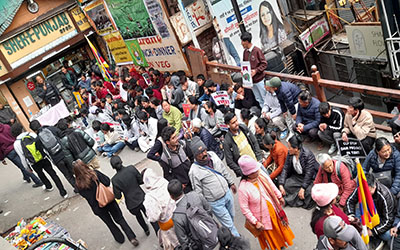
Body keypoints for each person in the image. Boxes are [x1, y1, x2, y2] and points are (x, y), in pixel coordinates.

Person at [72, 160, 139, 246]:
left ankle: (120, 238)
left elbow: (84, 195)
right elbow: (107, 181)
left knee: (109, 223)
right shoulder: (95, 174)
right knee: (120, 219)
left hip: (97, 208)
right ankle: (131, 237)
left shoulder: (78, 184)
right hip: (108, 201)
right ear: (85, 166)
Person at [237, 155, 294, 250]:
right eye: (255, 171)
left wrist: (279, 196)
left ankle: (282, 245)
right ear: (249, 174)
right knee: (272, 237)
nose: (258, 171)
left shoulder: (260, 175)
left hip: (273, 211)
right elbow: (245, 209)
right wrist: (255, 222)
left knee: (279, 232)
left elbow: (271, 185)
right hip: (262, 219)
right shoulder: (243, 189)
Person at [189, 137, 239, 236]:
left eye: (204, 150)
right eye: (200, 153)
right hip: (216, 203)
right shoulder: (194, 171)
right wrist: (206, 209)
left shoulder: (213, 155)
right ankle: (238, 242)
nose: (204, 154)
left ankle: (228, 237)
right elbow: (198, 193)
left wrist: (231, 182)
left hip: (227, 193)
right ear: (195, 155)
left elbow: (223, 170)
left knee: (231, 217)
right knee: (229, 225)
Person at [110, 156, 159, 236]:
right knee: (150, 215)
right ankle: (158, 233)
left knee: (138, 216)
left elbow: (118, 196)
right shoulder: (131, 168)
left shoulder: (115, 180)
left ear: (113, 167)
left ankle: (146, 230)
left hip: (131, 204)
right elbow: (141, 181)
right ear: (121, 161)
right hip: (141, 197)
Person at [346, 174, 395, 245]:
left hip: (379, 218)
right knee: (355, 223)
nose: (365, 194)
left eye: (368, 191)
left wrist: (372, 232)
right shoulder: (361, 189)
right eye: (364, 192)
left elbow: (388, 220)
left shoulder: (385, 195)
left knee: (387, 235)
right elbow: (350, 201)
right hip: (366, 212)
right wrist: (351, 215)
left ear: (374, 186)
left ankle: (373, 236)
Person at [23, 121, 68, 197]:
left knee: (41, 174)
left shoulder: (18, 143)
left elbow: (24, 155)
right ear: (40, 124)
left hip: (34, 162)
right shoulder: (33, 135)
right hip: (44, 159)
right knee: (53, 175)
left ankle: (49, 186)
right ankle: (63, 192)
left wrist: (27, 166)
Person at [168, 179, 214, 250]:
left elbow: (183, 240)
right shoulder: (195, 194)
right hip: (212, 232)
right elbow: (209, 210)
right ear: (183, 187)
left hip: (199, 244)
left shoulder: (177, 217)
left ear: (171, 196)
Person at [30, 120, 76, 190]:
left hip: (56, 159)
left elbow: (42, 152)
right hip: (66, 153)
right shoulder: (51, 128)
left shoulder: (37, 140)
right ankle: (85, 184)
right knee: (75, 170)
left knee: (67, 175)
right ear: (40, 124)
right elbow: (61, 135)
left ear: (34, 130)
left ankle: (77, 188)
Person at [142, 168, 180, 250]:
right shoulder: (164, 182)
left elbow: (153, 217)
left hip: (168, 226)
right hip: (179, 215)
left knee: (176, 244)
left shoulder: (150, 197)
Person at [278, 134, 318, 209]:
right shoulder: (290, 154)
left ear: (296, 148)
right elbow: (286, 168)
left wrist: (303, 188)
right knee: (286, 185)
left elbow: (309, 174)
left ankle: (287, 200)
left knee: (308, 193)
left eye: (289, 147)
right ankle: (297, 199)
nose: (288, 149)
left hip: (310, 179)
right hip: (298, 177)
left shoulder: (308, 155)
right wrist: (281, 183)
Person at [223, 112, 263, 177]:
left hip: (257, 163)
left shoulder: (243, 128)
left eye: (236, 120)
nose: (237, 123)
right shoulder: (227, 141)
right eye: (233, 123)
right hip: (248, 172)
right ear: (228, 125)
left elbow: (254, 141)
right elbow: (229, 162)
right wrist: (243, 172)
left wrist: (259, 158)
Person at [3, 123, 42, 187]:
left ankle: (37, 181)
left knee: (22, 165)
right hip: (16, 144)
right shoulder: (6, 127)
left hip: (9, 152)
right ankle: (26, 177)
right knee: (22, 162)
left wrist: (2, 158)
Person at [159, 126, 192, 193]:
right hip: (185, 186)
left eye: (176, 136)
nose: (177, 139)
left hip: (193, 178)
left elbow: (192, 157)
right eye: (173, 138)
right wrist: (179, 185)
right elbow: (167, 176)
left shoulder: (183, 145)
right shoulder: (165, 158)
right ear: (167, 142)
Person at [241, 32, 268, 107]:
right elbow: (244, 64)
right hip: (251, 81)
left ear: (246, 41)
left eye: (242, 41)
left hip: (259, 80)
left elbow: (264, 64)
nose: (241, 43)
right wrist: (243, 71)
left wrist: (256, 71)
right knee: (258, 98)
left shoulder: (257, 51)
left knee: (265, 97)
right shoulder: (245, 52)